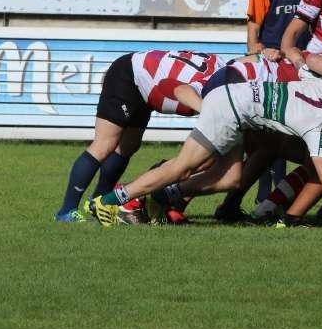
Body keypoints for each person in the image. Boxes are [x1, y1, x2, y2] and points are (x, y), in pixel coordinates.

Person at [86, 75, 322, 231]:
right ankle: (111, 202)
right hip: (229, 112)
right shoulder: (318, 130)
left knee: (231, 179)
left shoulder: (321, 90)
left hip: (233, 100)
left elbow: (302, 65)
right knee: (181, 168)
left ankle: (162, 196)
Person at [54, 50, 224, 222]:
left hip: (145, 81)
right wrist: (207, 111)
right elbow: (177, 89)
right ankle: (67, 211)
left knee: (129, 146)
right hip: (129, 75)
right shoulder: (209, 85)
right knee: (104, 145)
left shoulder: (223, 68)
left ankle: (98, 201)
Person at [246, 0, 312, 205]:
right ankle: (263, 196)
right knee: (269, 135)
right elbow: (252, 39)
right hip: (270, 70)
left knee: (289, 134)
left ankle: (277, 198)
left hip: (298, 69)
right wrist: (265, 51)